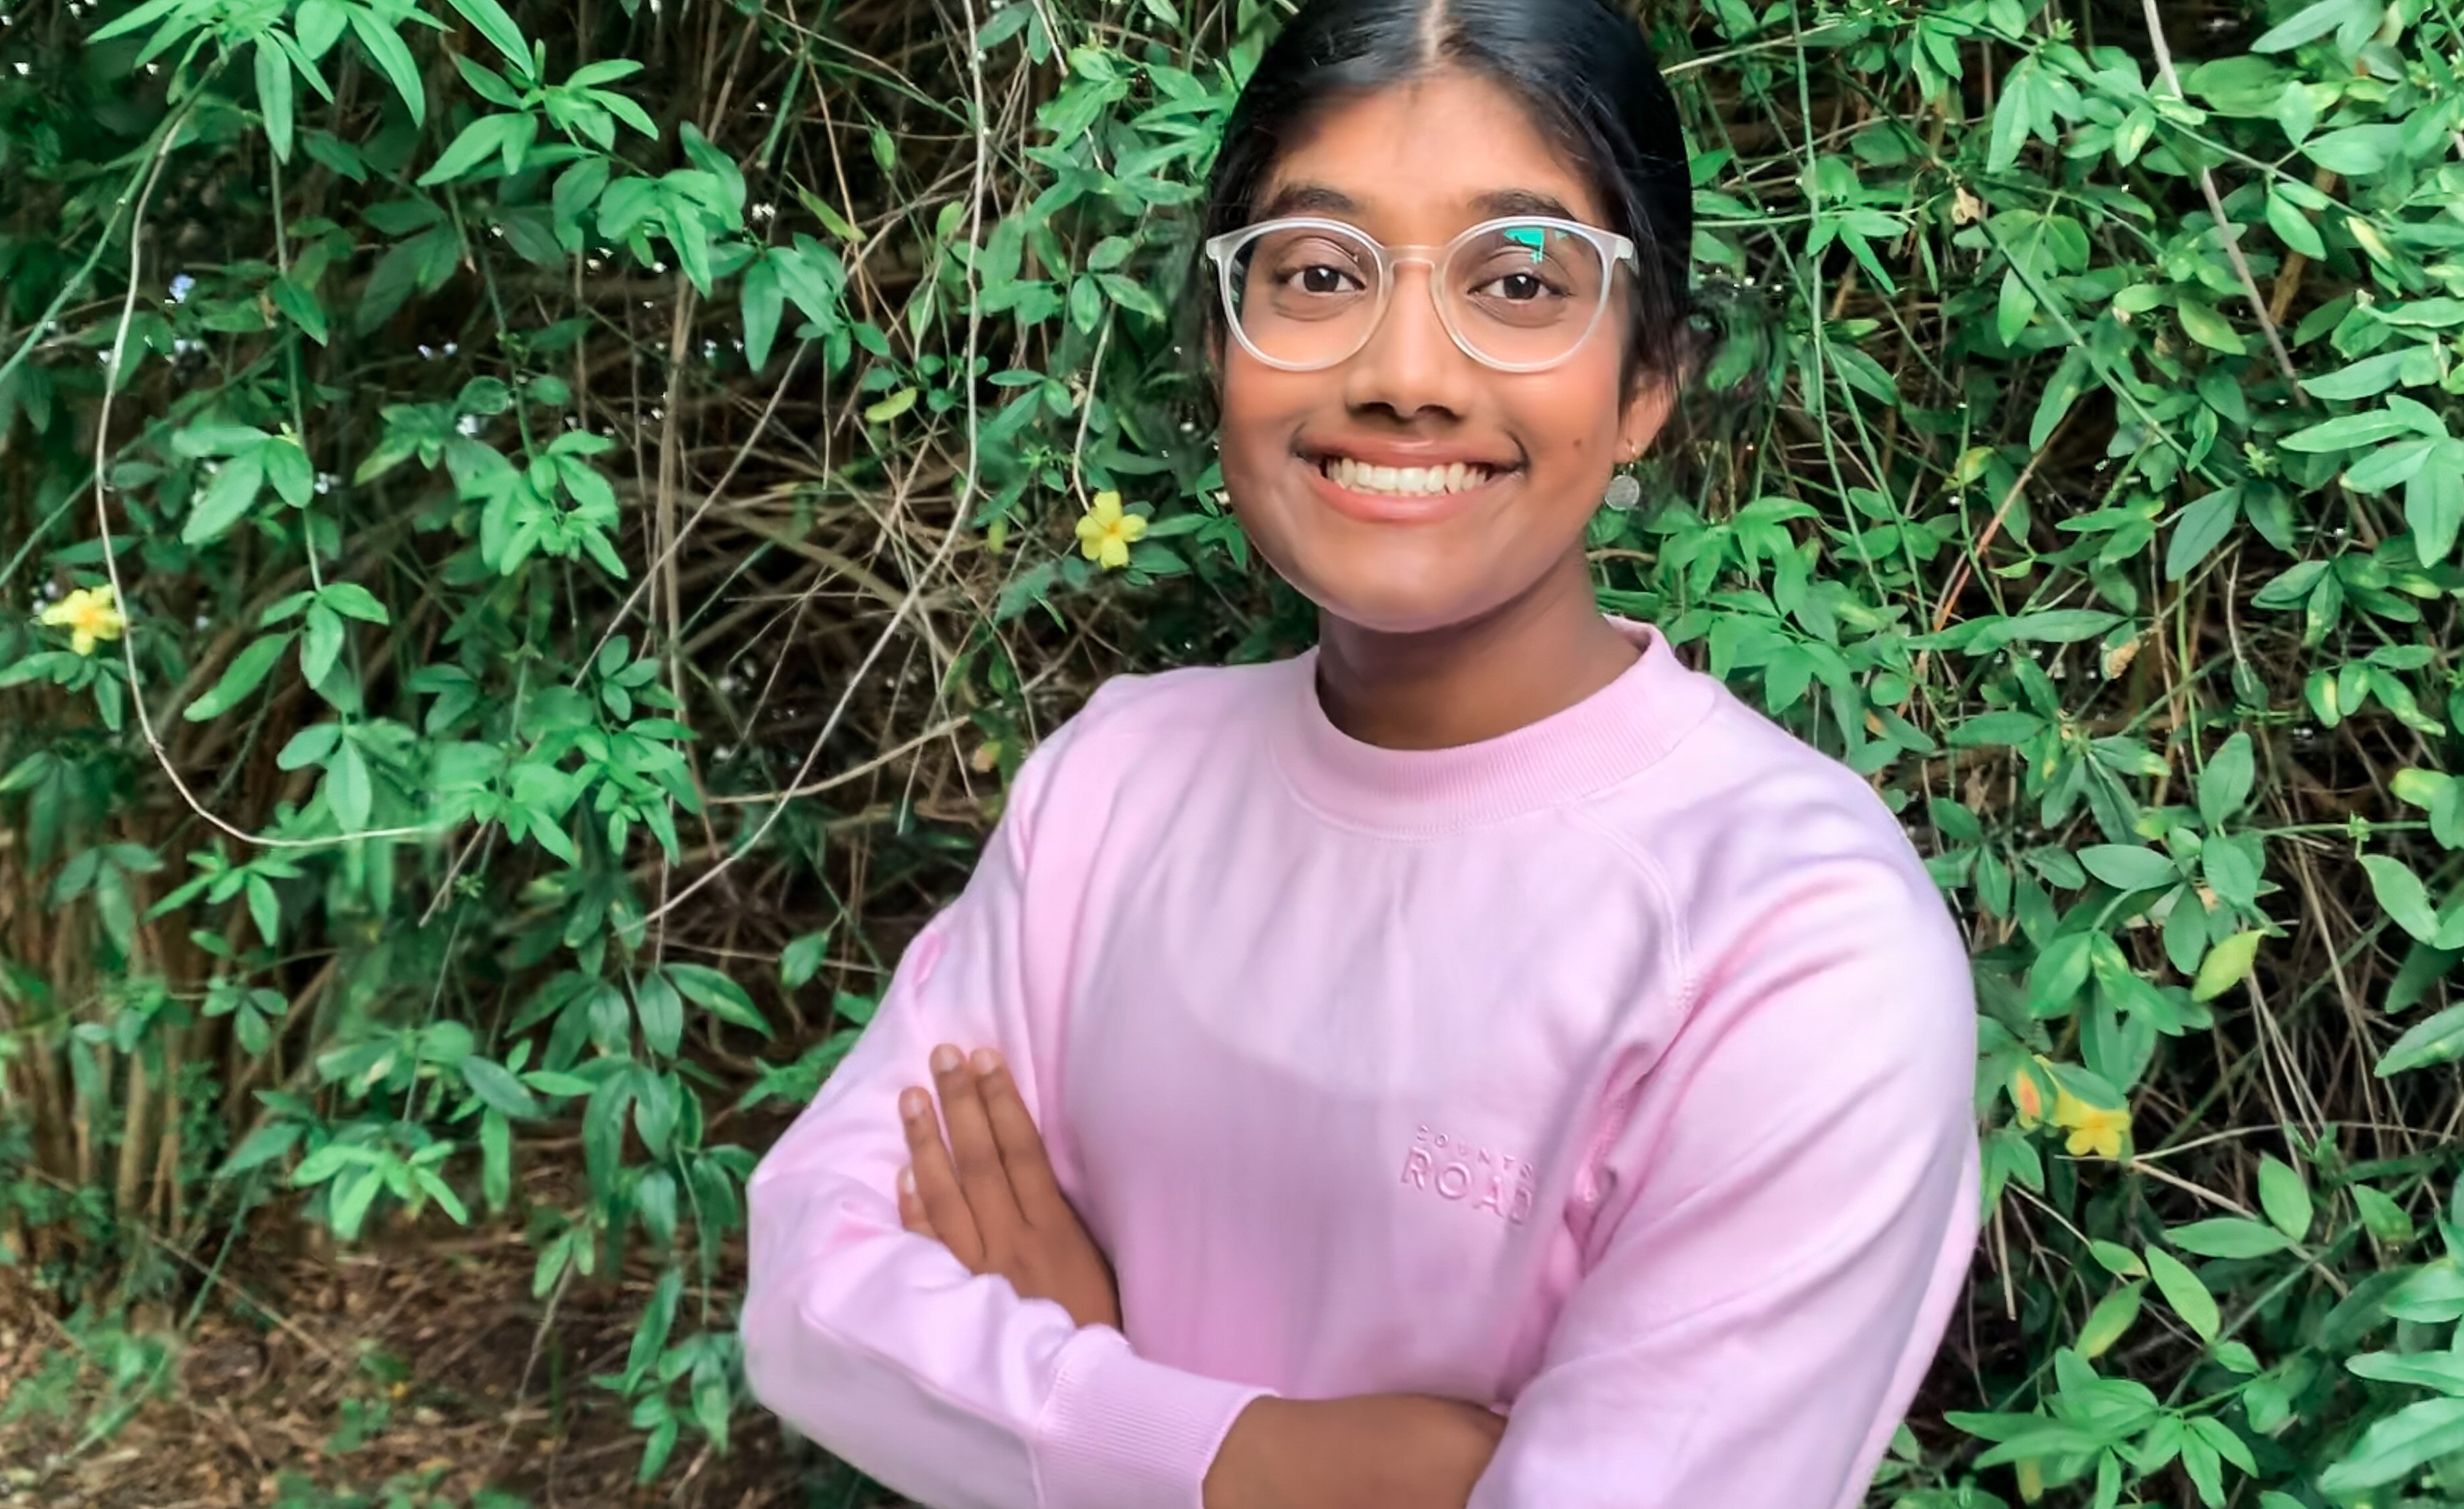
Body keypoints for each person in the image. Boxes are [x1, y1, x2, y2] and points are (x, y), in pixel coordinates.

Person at [737, 0, 1980, 1503]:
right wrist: (1258, 1463)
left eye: (1520, 280)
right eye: (1319, 272)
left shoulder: (1794, 937)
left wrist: (1056, 1405)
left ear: (1650, 379)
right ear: (1221, 342)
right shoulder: (1117, 787)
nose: (1406, 369)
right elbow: (814, 1292)